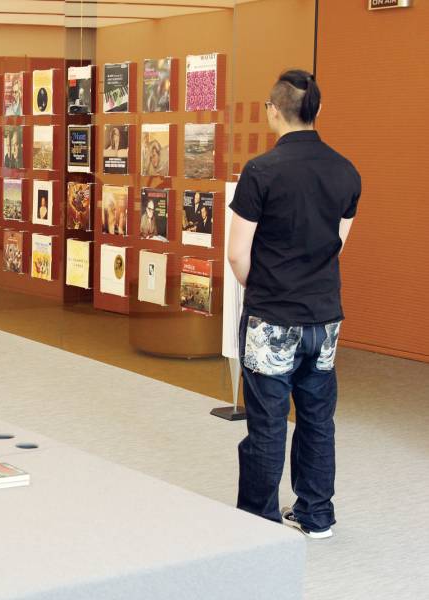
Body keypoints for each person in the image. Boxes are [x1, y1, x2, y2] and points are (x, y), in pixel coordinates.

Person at [228, 70, 361, 540]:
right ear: (317, 111)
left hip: (271, 314)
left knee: (267, 421)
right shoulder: (346, 171)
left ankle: (258, 521)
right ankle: (316, 514)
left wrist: (263, 287)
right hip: (324, 317)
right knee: (318, 418)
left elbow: (237, 254)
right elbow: (336, 246)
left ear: (272, 111)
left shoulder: (260, 171)